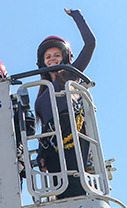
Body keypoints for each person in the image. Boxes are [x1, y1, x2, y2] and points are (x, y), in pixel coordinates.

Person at [34, 8, 95, 198]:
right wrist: (41, 154)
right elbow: (44, 127)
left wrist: (77, 16)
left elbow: (90, 44)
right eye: (48, 57)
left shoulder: (67, 77)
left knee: (75, 184)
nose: (52, 59)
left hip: (70, 134)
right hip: (52, 142)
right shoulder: (42, 91)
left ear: (66, 58)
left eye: (56, 55)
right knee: (60, 191)